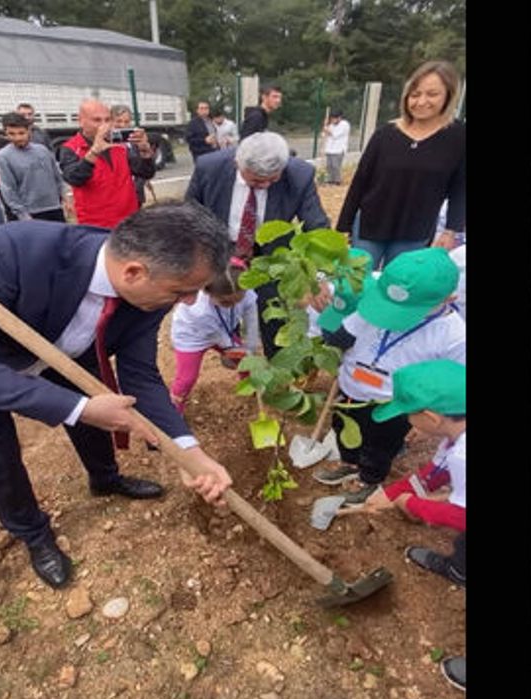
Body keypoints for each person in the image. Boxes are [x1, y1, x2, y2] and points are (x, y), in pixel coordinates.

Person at [0, 200, 236, 589]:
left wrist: (189, 451)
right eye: (184, 292)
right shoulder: (11, 251)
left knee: (96, 417)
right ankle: (34, 534)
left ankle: (105, 478)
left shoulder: (152, 289)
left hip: (65, 357)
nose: (191, 302)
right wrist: (77, 407)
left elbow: (140, 374)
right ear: (133, 272)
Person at [312, 248, 466, 503]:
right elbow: (341, 316)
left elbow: (456, 383)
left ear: (449, 298)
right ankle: (349, 463)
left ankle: (369, 478)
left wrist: (431, 420)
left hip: (391, 404)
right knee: (343, 428)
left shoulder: (454, 337)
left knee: (380, 447)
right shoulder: (376, 293)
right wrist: (320, 290)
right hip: (351, 388)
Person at [185, 131, 330, 356]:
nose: (264, 185)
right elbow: (189, 214)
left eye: (273, 180)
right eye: (256, 180)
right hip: (223, 249)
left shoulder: (299, 175)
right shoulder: (209, 167)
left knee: (273, 311)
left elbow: (318, 227)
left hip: (270, 256)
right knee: (225, 305)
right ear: (237, 163)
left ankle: (275, 363)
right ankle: (235, 351)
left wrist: (318, 277)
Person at [336, 60, 466, 265]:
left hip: (415, 233)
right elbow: (360, 182)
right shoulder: (385, 134)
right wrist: (343, 227)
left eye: (432, 94)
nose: (421, 101)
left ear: (448, 95)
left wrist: (451, 231)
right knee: (357, 285)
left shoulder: (458, 137)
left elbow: (460, 188)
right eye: (415, 94)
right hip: (370, 227)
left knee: (399, 290)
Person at [355, 359, 466, 532]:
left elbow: (461, 516)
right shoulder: (455, 436)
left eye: (408, 414)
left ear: (432, 419)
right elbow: (437, 473)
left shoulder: (462, 455)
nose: (408, 420)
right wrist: (391, 494)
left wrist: (413, 505)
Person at [169, 259, 261, 413]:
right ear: (206, 292)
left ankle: (250, 389)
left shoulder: (247, 293)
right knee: (186, 379)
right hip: (192, 336)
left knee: (246, 362)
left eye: (237, 301)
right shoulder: (199, 308)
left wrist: (250, 347)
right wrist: (232, 349)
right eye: (226, 302)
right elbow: (217, 336)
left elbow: (251, 318)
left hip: (224, 330)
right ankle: (174, 409)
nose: (232, 305)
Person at [58, 99, 156, 228]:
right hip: (96, 224)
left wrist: (145, 151)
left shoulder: (119, 144)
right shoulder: (71, 148)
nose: (104, 125)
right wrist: (94, 151)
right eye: (97, 120)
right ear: (81, 121)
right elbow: (75, 179)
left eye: (108, 120)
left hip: (129, 220)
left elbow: (145, 172)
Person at [0, 112, 68, 222]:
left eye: (21, 133)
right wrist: (22, 214)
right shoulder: (3, 157)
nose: (17, 138)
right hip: (30, 214)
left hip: (54, 208)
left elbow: (57, 176)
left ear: (29, 131)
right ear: (6, 133)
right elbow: (8, 190)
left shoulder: (42, 150)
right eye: (12, 134)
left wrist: (65, 198)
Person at [110, 105, 149, 207]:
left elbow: (144, 167)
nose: (122, 125)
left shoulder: (135, 142)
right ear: (111, 122)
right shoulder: (106, 144)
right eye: (118, 121)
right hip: (116, 197)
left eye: (126, 122)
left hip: (136, 195)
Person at [323, 109, 351, 185]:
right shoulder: (331, 125)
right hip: (329, 149)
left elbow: (335, 135)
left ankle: (337, 181)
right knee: (329, 166)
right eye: (332, 118)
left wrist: (327, 130)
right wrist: (325, 127)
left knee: (336, 166)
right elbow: (324, 135)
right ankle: (329, 180)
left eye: (334, 118)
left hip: (338, 149)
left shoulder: (345, 124)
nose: (333, 120)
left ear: (339, 118)